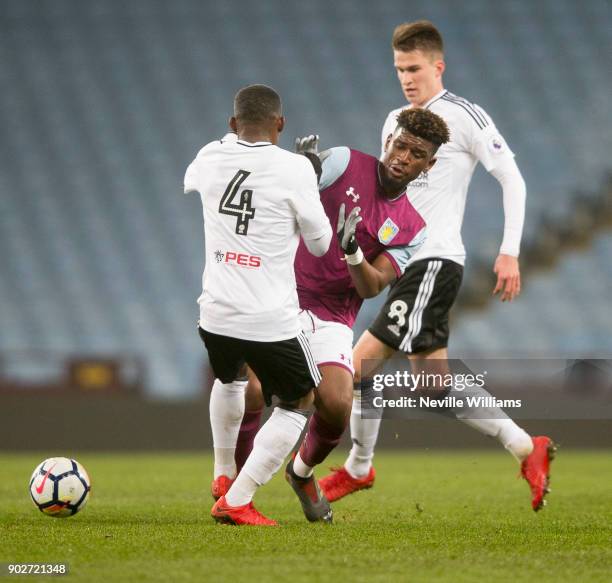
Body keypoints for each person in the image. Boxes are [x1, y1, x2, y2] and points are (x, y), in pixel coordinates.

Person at [320, 20, 555, 512]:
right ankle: (523, 446)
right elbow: (388, 195)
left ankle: (360, 468)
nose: (406, 78)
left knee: (360, 363)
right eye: (399, 69)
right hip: (403, 260)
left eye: (414, 68)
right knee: (432, 384)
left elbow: (512, 179)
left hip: (435, 259)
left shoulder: (464, 115)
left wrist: (509, 249)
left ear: (438, 66)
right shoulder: (394, 121)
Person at [210, 108, 451, 523]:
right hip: (279, 293)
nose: (403, 157)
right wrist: (304, 168)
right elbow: (288, 190)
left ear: (429, 164)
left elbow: (372, 286)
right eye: (400, 145)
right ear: (389, 140)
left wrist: (352, 249)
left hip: (333, 316)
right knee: (249, 390)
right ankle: (232, 485)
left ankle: (301, 473)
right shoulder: (342, 162)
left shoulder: (413, 227)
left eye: (416, 153)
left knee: (337, 404)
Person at [184, 84, 332, 526]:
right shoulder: (294, 169)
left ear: (232, 123)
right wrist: (308, 173)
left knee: (229, 379)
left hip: (214, 311)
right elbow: (322, 245)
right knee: (300, 399)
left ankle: (223, 473)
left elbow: (193, 181)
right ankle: (238, 499)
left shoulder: (209, 155)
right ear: (281, 125)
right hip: (268, 317)